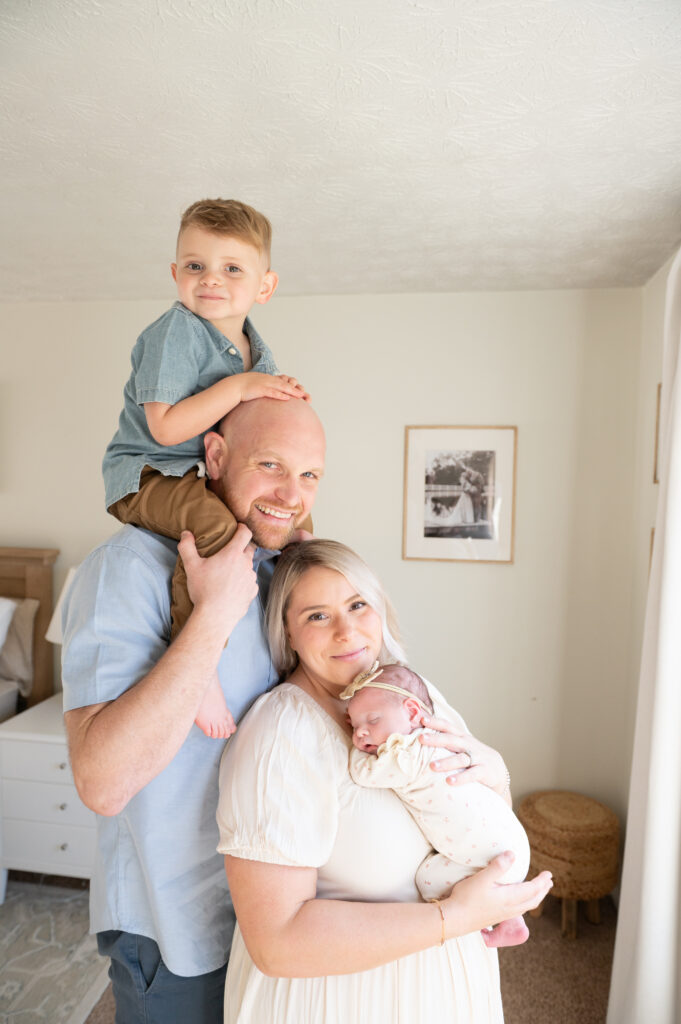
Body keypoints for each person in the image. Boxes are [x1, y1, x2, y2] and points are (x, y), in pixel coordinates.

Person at [62, 396, 326, 1024]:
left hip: (276, 911)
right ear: (214, 455)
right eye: (271, 464)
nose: (293, 493)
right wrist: (210, 616)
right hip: (178, 926)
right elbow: (102, 782)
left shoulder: (275, 567)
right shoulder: (125, 570)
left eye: (311, 474)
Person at [216, 539, 552, 1023]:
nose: (347, 630)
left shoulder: (406, 693)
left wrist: (498, 774)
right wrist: (455, 917)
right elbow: (276, 942)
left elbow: (473, 814)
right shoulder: (281, 736)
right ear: (286, 633)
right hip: (340, 1001)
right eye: (317, 616)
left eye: (357, 605)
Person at [103, 197, 309, 738]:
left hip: (191, 476)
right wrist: (240, 387)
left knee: (273, 521)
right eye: (195, 266)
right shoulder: (176, 332)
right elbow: (167, 429)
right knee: (217, 530)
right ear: (176, 274)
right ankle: (197, 664)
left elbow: (259, 431)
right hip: (146, 474)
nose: (210, 280)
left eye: (232, 268)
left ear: (264, 287)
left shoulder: (254, 350)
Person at [343, 662, 530, 948]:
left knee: (426, 878)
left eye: (372, 720)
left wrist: (351, 748)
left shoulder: (404, 755)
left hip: (488, 860)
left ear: (412, 712)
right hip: (514, 844)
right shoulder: (441, 740)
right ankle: (513, 918)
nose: (360, 734)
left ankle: (484, 914)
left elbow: (362, 773)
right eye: (354, 726)